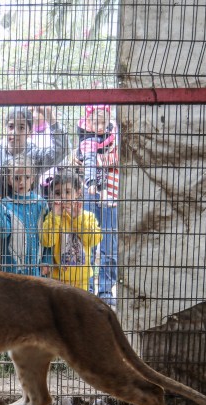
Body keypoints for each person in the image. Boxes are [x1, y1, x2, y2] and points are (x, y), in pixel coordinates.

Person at [76, 104, 120, 307]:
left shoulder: (116, 135)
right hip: (89, 195)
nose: (99, 126)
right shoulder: (84, 139)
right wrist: (84, 161)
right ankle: (88, 289)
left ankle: (104, 290)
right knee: (88, 243)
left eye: (103, 122)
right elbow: (76, 159)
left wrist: (94, 160)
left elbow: (118, 157)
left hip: (110, 195)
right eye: (95, 122)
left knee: (109, 247)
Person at [40, 170, 102, 289]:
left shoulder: (87, 216)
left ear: (78, 193)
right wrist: (55, 217)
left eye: (67, 192)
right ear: (52, 196)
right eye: (58, 193)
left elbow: (92, 240)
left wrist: (77, 218)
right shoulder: (52, 217)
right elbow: (47, 241)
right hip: (58, 280)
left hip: (82, 280)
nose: (62, 196)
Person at [0, 158, 51, 276]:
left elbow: (49, 234)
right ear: (9, 179)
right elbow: (3, 232)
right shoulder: (5, 203)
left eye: (26, 178)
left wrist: (46, 261)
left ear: (33, 178)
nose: (21, 182)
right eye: (17, 178)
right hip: (12, 271)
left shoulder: (42, 204)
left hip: (36, 269)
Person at [0, 107, 69, 196]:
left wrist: (50, 117)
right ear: (5, 128)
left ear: (30, 132)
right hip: (0, 208)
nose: (15, 132)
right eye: (11, 126)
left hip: (31, 208)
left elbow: (62, 149)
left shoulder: (36, 155)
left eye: (21, 128)